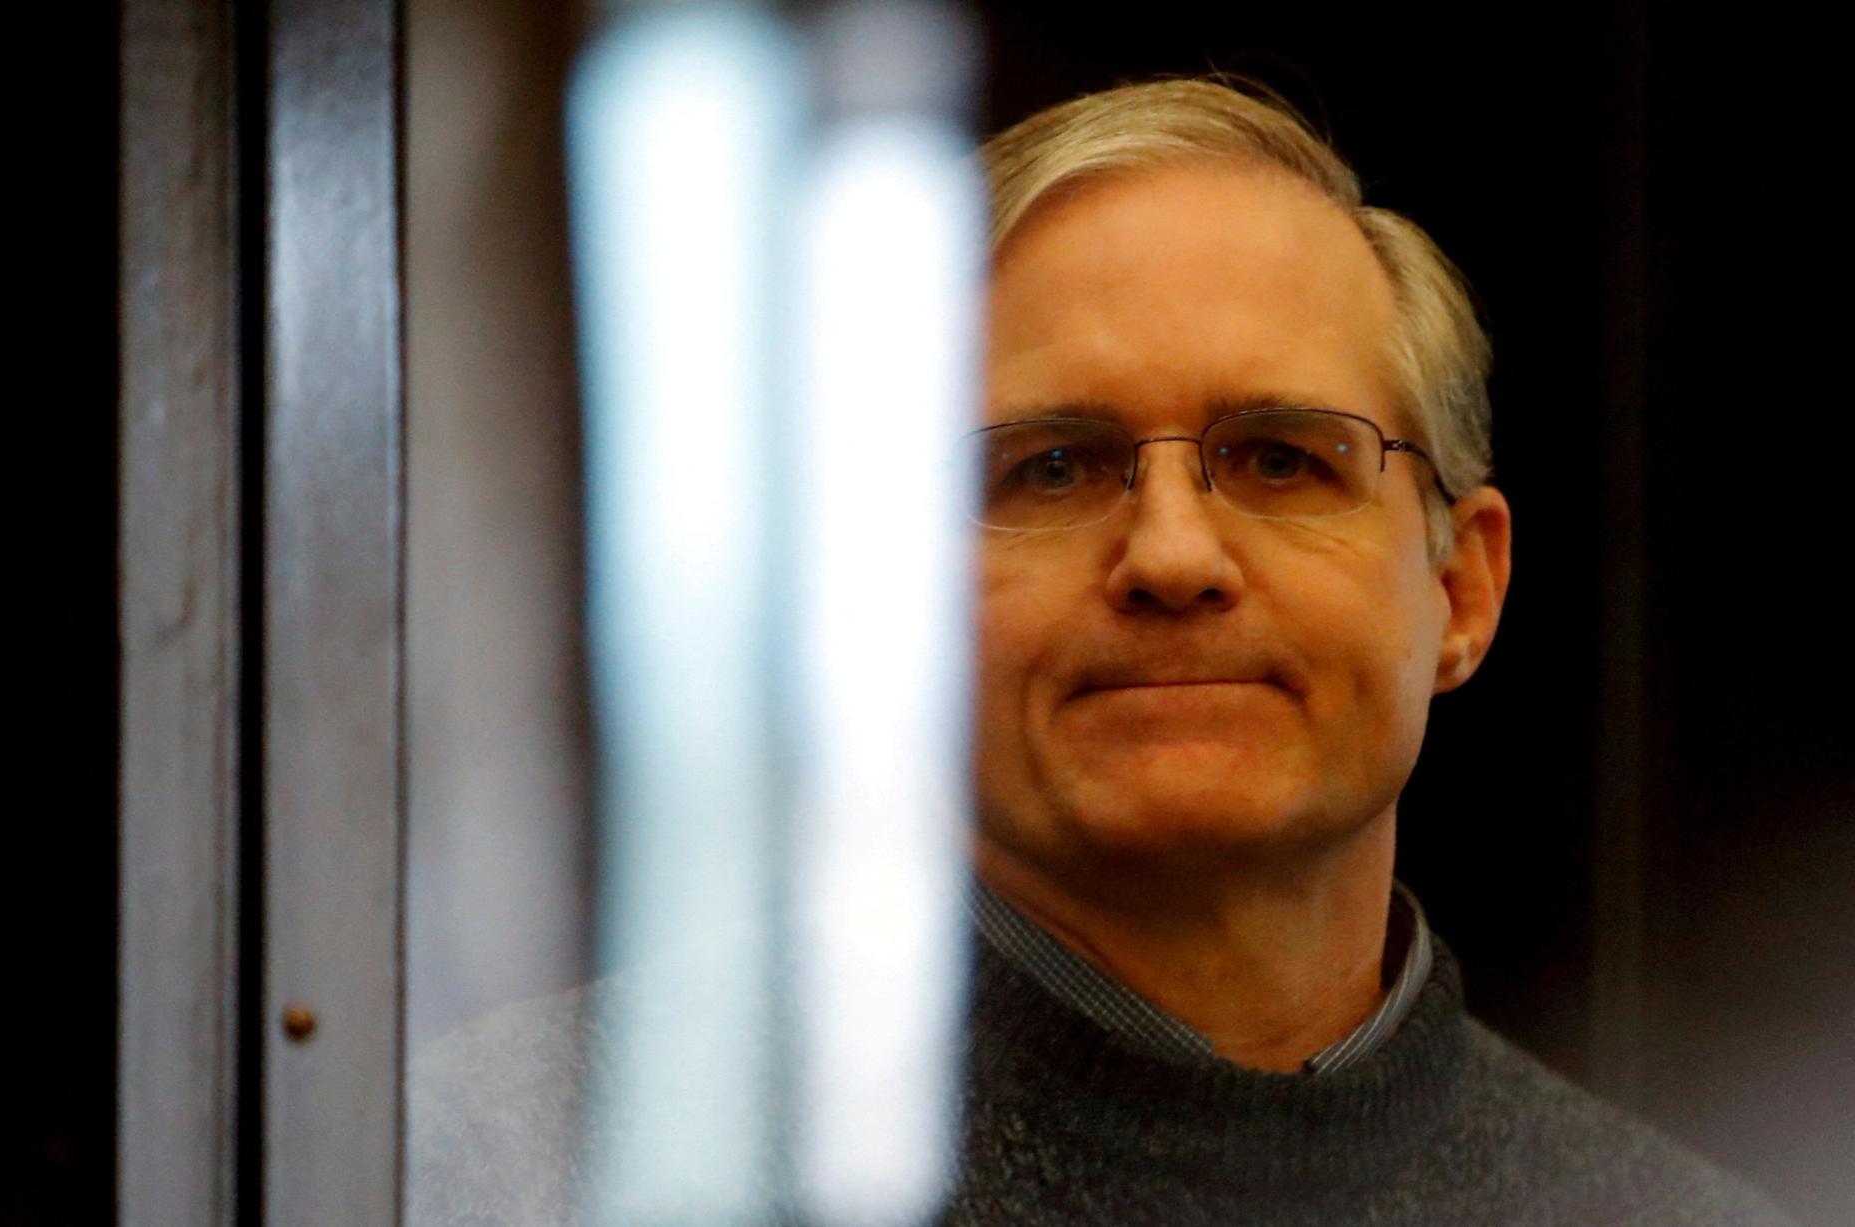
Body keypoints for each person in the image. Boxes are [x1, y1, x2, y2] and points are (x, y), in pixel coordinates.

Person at [410, 78, 1794, 1226]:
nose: (1175, 557)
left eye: (1281, 459)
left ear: (1465, 587)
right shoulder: (516, 1171)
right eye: (1053, 467)